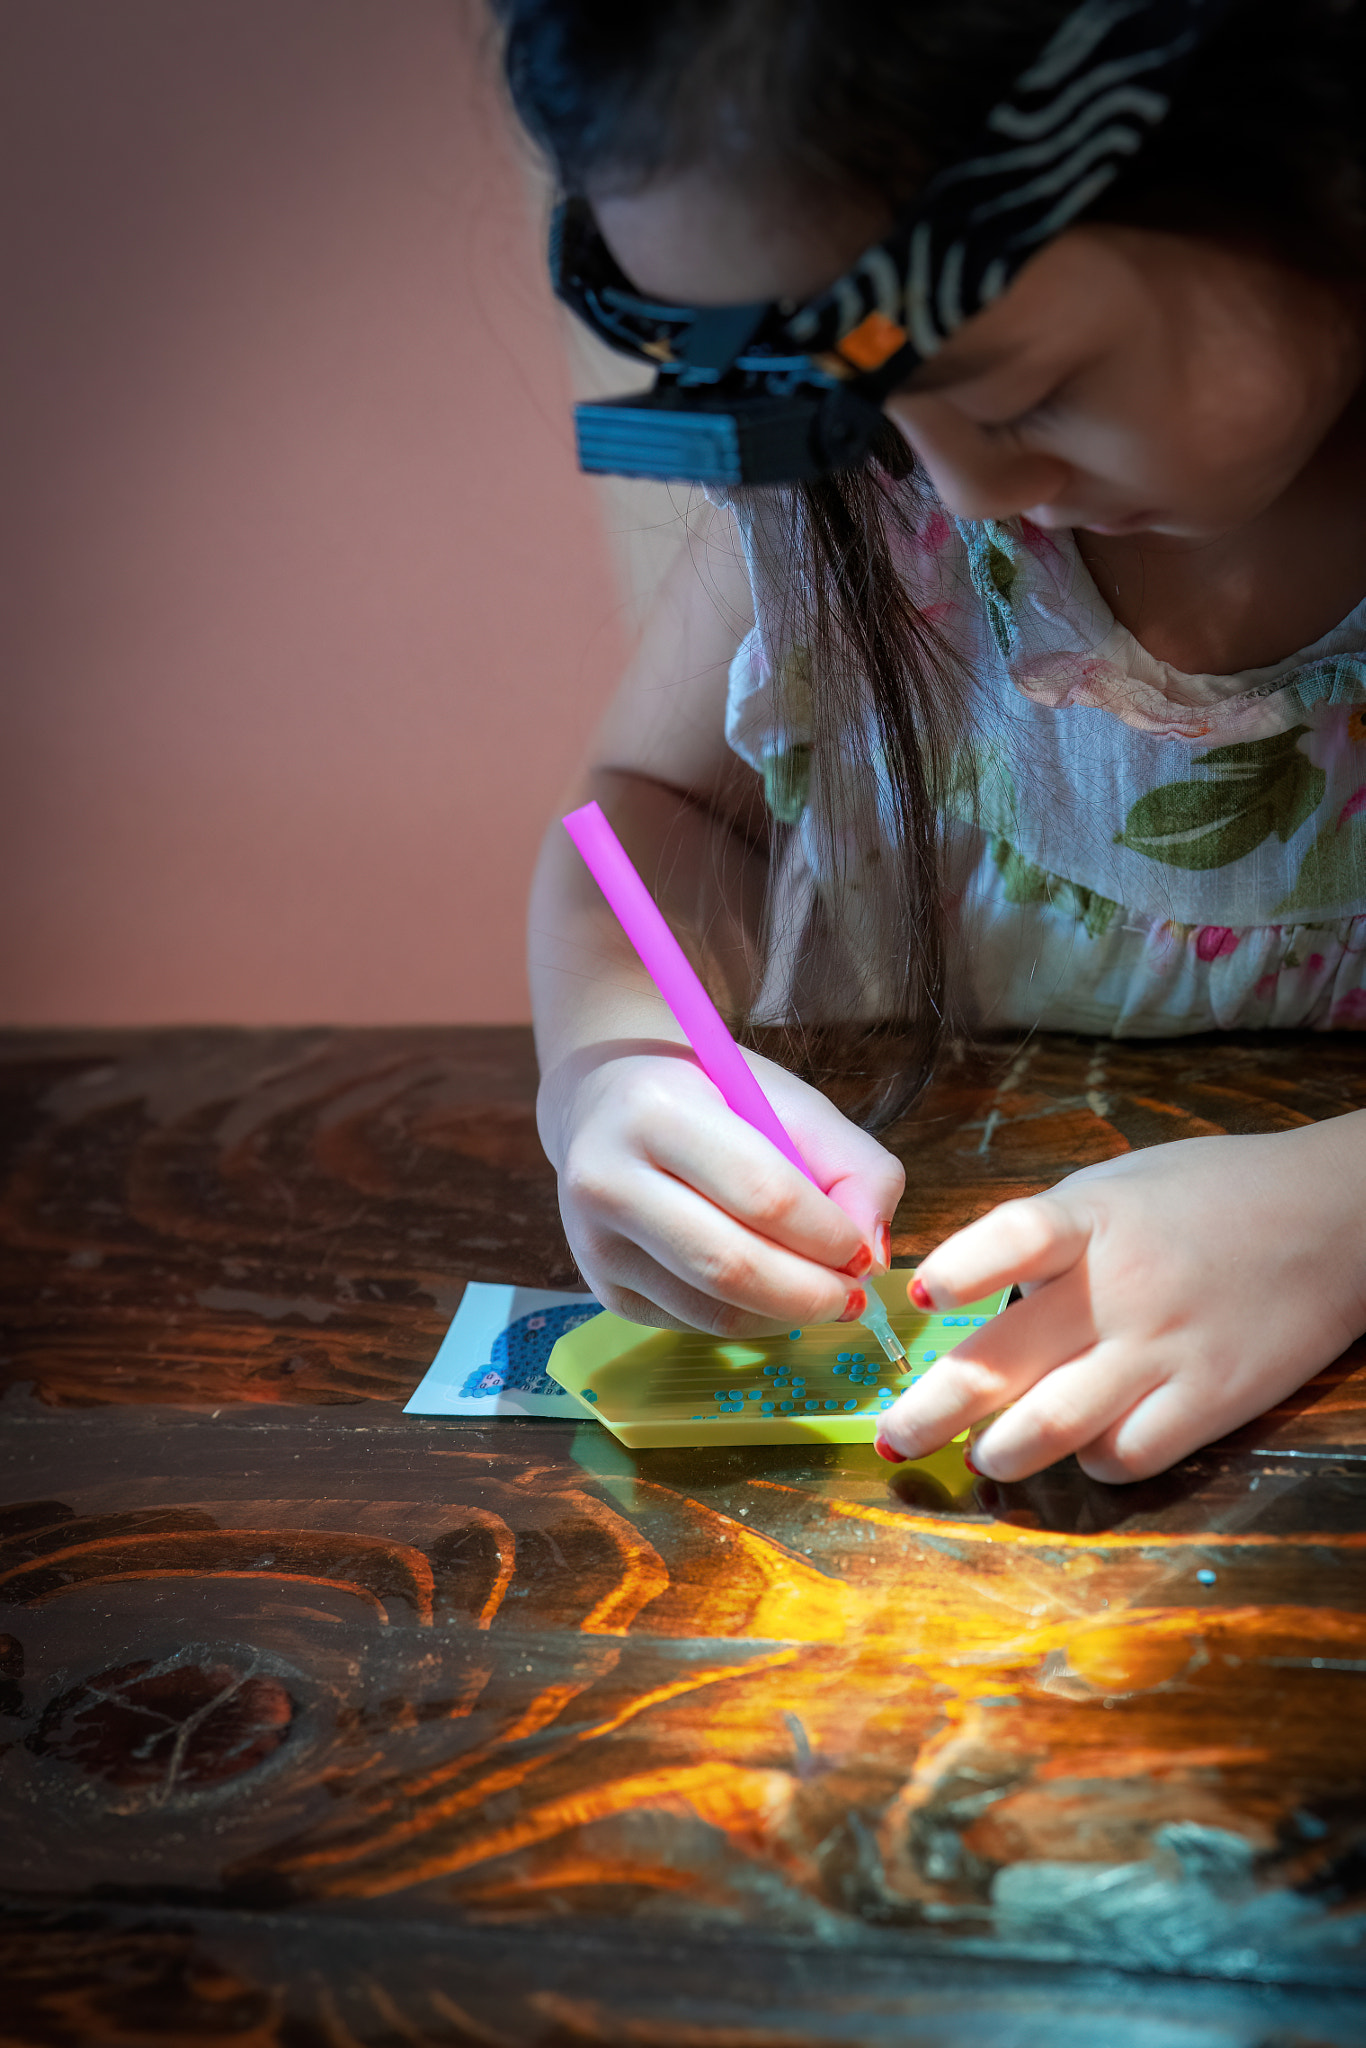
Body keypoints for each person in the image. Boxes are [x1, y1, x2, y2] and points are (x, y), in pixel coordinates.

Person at [499, 0, 1366, 1485]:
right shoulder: (881, 505)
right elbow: (656, 804)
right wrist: (614, 1057)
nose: (958, 495)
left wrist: (1334, 1219)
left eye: (1027, 391)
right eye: (854, 419)